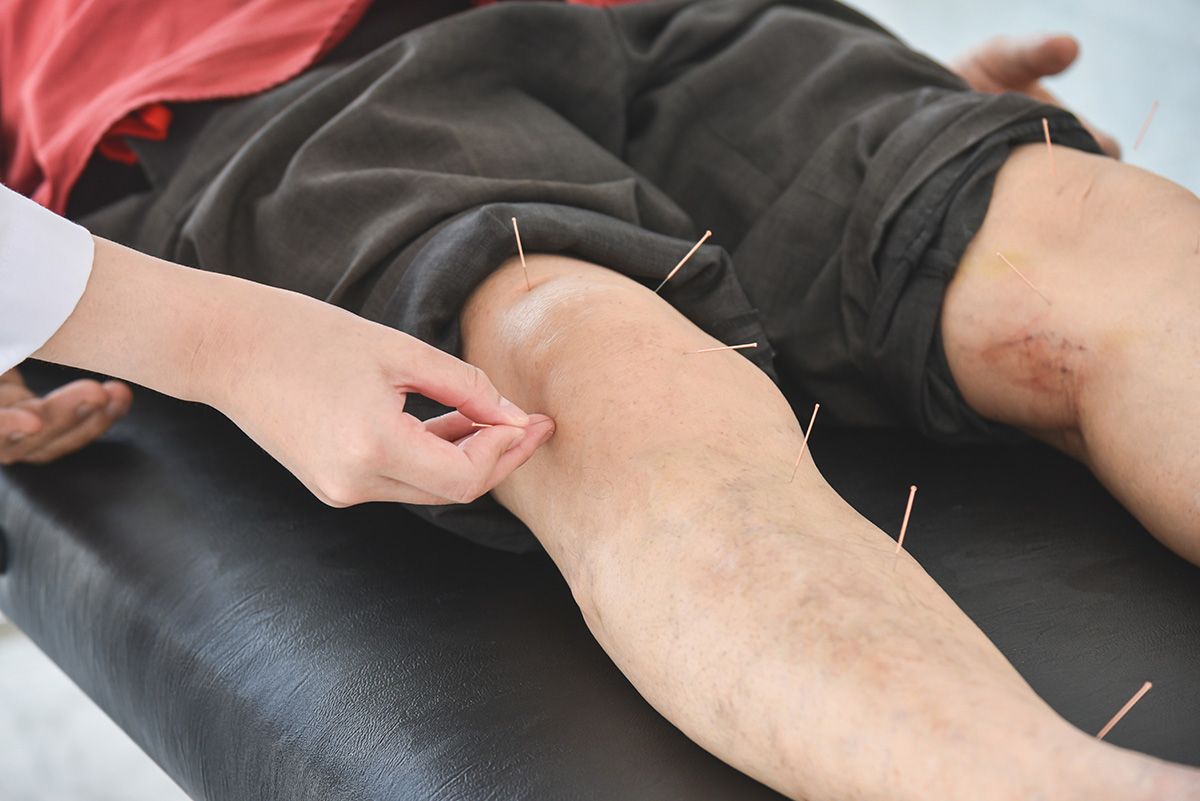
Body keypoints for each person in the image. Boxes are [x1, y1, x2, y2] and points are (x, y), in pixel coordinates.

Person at [6, 0, 1197, 799]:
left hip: (677, 23)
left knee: (1097, 245)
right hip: (257, 82)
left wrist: (909, 85)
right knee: (594, 369)